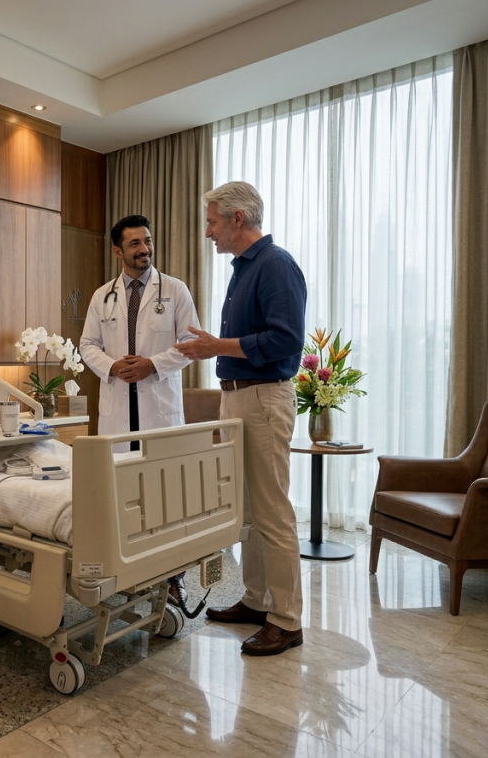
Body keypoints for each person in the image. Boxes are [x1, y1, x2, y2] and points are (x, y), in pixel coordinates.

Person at [175, 181, 307, 656]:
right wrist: (215, 352)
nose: (208, 232)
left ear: (236, 219)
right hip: (236, 398)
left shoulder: (276, 265)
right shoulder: (242, 270)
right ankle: (256, 601)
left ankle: (287, 620)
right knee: (249, 511)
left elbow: (287, 340)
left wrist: (217, 348)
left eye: (212, 222)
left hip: (263, 399)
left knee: (272, 511)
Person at [80, 215, 200, 452]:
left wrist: (153, 365)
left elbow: (192, 342)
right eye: (135, 244)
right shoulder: (102, 295)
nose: (145, 249)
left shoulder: (175, 290)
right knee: (119, 481)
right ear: (118, 252)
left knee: (163, 481)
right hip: (118, 405)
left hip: (159, 407)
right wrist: (112, 366)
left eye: (148, 241)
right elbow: (88, 344)